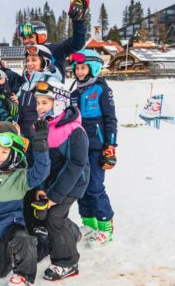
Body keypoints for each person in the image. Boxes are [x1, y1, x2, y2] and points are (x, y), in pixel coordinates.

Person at [0, 122, 50, 285]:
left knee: (24, 240)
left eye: (4, 152)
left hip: (11, 227)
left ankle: (25, 273)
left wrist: (40, 143)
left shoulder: (20, 177)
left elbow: (42, 171)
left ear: (14, 154)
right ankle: (12, 254)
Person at [33, 78, 89, 281]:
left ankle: (67, 262)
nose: (39, 107)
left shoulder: (74, 130)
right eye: (38, 102)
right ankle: (72, 232)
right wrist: (40, 187)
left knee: (54, 218)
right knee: (49, 216)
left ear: (58, 102)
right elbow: (38, 160)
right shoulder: (41, 127)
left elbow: (76, 165)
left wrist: (55, 195)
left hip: (73, 182)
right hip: (51, 182)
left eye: (45, 102)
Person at [69, 49, 117, 247]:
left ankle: (106, 228)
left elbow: (110, 119)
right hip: (79, 147)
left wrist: (111, 146)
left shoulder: (102, 90)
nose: (79, 72)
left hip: (97, 148)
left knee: (95, 187)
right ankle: (89, 224)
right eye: (77, 68)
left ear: (93, 68)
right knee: (81, 186)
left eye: (83, 67)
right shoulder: (73, 93)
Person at [17, 0, 89, 82]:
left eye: (30, 37)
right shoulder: (28, 61)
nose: (26, 41)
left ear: (41, 36)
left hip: (53, 95)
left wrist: (78, 21)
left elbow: (77, 43)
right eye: (24, 38)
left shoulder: (55, 50)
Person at [17, 45, 62, 139]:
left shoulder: (51, 82)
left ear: (45, 62)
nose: (29, 63)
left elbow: (57, 111)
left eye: (34, 60)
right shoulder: (25, 84)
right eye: (27, 60)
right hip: (22, 134)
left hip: (41, 134)